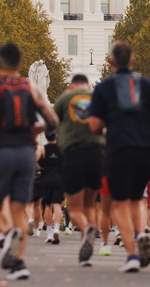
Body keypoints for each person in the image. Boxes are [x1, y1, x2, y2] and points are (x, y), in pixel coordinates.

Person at [0, 41, 59, 281]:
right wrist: (34, 130)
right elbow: (52, 120)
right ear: (19, 64)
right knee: (19, 206)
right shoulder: (31, 89)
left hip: (0, 150)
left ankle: (7, 233)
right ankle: (19, 262)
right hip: (26, 152)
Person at [88, 40, 150, 274]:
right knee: (136, 199)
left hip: (117, 149)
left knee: (120, 204)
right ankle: (141, 232)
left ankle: (132, 252)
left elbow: (93, 125)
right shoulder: (147, 84)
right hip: (144, 149)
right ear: (132, 60)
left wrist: (104, 130)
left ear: (110, 61)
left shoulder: (103, 88)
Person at [54, 73, 105, 266]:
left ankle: (86, 229)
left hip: (73, 153)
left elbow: (53, 121)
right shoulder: (97, 98)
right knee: (89, 206)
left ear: (71, 85)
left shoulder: (66, 98)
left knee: (74, 209)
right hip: (96, 153)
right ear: (89, 85)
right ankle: (87, 249)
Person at [37, 130, 64, 244]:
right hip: (59, 179)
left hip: (46, 178)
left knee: (47, 206)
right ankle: (56, 228)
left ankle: (49, 233)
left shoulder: (42, 149)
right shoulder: (61, 149)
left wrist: (41, 168)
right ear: (56, 137)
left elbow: (34, 161)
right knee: (57, 205)